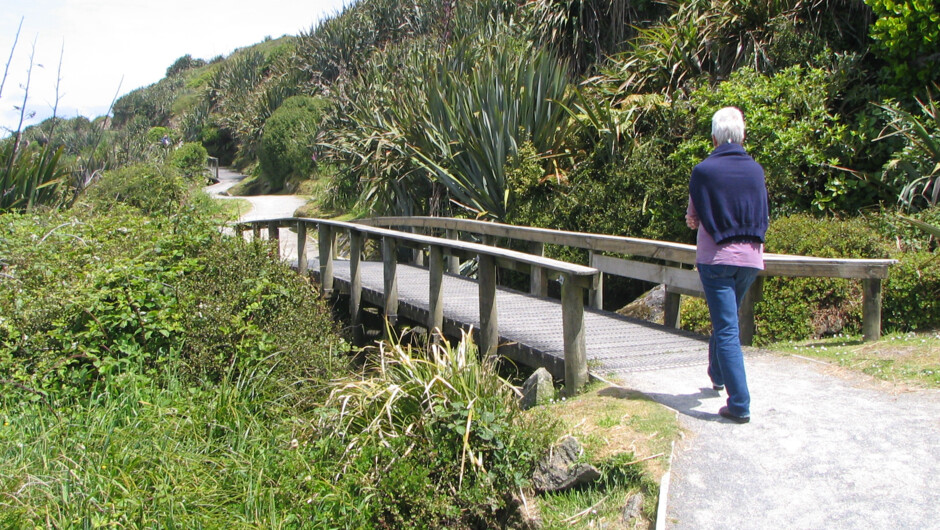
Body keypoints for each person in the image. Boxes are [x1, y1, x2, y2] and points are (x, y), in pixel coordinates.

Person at [685, 106, 768, 424]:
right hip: (751, 257)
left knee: (727, 327)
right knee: (727, 319)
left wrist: (698, 219)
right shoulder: (756, 170)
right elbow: (763, 213)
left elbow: (693, 218)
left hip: (716, 259)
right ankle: (717, 374)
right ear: (743, 137)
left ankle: (740, 403)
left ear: (714, 138)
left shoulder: (703, 171)